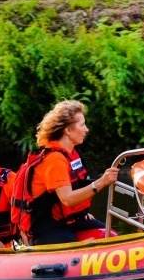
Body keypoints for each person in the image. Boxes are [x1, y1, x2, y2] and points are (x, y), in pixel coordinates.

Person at [27, 100, 118, 245]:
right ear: (68, 130)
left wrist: (81, 214)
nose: (86, 129)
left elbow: (78, 186)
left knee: (109, 234)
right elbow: (67, 199)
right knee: (69, 242)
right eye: (82, 125)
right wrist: (101, 182)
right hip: (47, 228)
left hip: (69, 221)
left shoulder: (73, 153)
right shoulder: (55, 160)